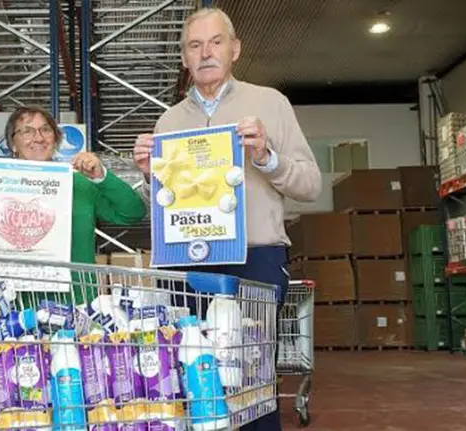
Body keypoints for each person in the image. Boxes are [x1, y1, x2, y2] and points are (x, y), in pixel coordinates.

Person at [132, 7, 322, 430]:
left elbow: (311, 185)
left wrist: (266, 157)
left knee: (253, 385)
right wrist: (149, 178)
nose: (206, 53)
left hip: (254, 259)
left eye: (216, 42)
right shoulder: (169, 121)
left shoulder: (270, 103)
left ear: (235, 48)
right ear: (183, 57)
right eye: (194, 45)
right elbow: (162, 207)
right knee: (189, 380)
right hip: (186, 264)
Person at [0, 105, 147, 303]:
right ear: (12, 144)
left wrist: (101, 176)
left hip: (75, 305)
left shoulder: (81, 183)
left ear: (55, 140)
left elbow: (132, 213)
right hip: (11, 311)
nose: (38, 137)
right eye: (27, 131)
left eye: (46, 130)